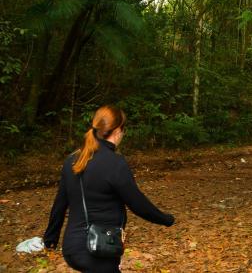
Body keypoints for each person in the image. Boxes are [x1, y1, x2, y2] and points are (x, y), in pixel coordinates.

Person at [43, 105, 175, 272]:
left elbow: (60, 204)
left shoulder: (72, 160)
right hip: (99, 249)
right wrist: (166, 219)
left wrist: (51, 238)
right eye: (124, 129)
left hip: (71, 248)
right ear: (118, 130)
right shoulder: (115, 163)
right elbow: (137, 203)